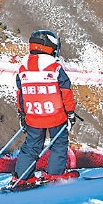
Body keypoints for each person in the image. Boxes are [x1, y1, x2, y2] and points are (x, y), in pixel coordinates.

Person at [12, 30, 77, 185]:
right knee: (58, 143)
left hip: (33, 115)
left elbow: (20, 94)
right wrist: (70, 113)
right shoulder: (54, 67)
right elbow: (66, 92)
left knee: (31, 146)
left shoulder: (23, 67)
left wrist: (22, 114)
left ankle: (22, 177)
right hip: (56, 115)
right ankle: (54, 174)